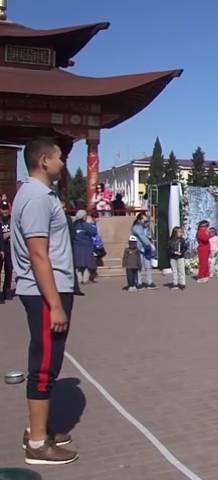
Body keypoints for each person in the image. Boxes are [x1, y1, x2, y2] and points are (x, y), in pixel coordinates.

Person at [12, 138, 79, 464]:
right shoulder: (37, 197)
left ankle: (38, 428)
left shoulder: (39, 195)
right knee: (44, 365)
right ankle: (37, 444)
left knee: (49, 362)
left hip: (48, 290)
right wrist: (54, 304)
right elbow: (38, 254)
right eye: (59, 158)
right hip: (44, 293)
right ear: (43, 161)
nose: (63, 164)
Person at [131, 213, 157, 289]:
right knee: (139, 267)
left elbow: (149, 236)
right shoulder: (136, 228)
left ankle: (149, 283)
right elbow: (142, 236)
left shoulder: (146, 227)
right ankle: (138, 283)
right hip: (139, 249)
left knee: (148, 266)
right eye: (144, 220)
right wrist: (150, 244)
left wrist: (149, 225)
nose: (145, 222)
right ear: (139, 220)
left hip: (146, 249)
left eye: (146, 220)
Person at [70, 210, 97, 286]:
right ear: (83, 217)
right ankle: (85, 279)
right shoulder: (86, 225)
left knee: (78, 264)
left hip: (76, 246)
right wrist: (92, 223)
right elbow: (94, 232)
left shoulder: (73, 225)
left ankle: (79, 279)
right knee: (87, 263)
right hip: (86, 246)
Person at [0, 199, 12, 302]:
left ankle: (7, 291)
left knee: (9, 269)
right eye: (3, 209)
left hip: (9, 248)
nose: (5, 211)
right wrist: (8, 234)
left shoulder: (11, 219)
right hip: (1, 247)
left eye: (6, 209)